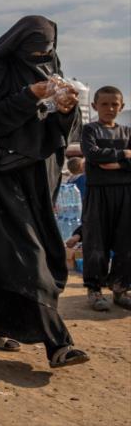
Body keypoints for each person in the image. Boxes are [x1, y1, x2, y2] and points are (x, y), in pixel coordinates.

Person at [0, 15, 89, 368]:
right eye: (33, 50)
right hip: (4, 179)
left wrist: (66, 110)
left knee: (12, 257)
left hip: (42, 179)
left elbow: (64, 130)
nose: (40, 56)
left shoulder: (52, 71)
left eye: (47, 50)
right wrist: (28, 97)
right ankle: (59, 344)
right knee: (30, 258)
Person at [81, 85, 131, 311]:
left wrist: (109, 163)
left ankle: (121, 289)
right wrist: (123, 156)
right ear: (94, 106)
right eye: (104, 104)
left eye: (114, 104)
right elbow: (92, 154)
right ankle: (95, 290)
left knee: (126, 243)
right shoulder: (89, 130)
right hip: (98, 193)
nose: (110, 108)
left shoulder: (128, 132)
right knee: (96, 242)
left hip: (125, 194)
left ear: (122, 107)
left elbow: (102, 160)